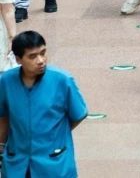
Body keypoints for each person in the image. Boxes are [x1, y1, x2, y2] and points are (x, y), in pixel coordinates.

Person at [0, 31, 88, 178]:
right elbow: (3, 116)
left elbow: (79, 114)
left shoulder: (62, 80)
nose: (41, 60)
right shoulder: (6, 81)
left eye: (43, 53)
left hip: (53, 163)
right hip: (17, 162)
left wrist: (55, 134)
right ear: (18, 59)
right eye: (32, 56)